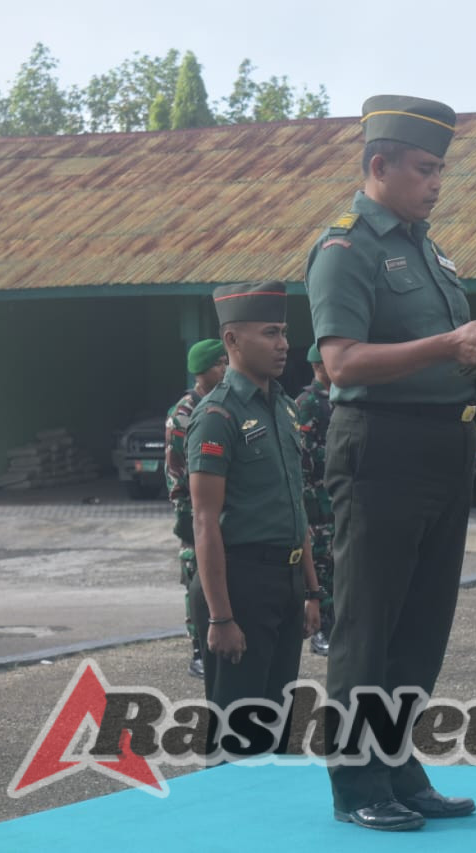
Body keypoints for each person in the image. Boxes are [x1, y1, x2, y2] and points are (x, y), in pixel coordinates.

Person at [303, 95, 476, 832]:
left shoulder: (428, 248)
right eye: (425, 168)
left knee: (424, 621)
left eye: (441, 170)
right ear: (378, 164)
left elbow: (445, 355)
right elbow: (343, 361)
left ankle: (398, 764)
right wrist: (447, 345)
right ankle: (357, 782)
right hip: (379, 446)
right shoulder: (346, 249)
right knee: (370, 622)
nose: (436, 183)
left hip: (443, 442)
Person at [186, 280, 323, 758]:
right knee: (238, 732)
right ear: (232, 340)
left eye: (284, 332)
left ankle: (273, 825)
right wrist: (221, 617)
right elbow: (205, 521)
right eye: (269, 333)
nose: (283, 344)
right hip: (239, 581)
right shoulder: (216, 416)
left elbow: (296, 505)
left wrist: (309, 590)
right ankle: (225, 826)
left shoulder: (283, 408)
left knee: (278, 724)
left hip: (284, 581)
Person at [164, 339, 228, 678]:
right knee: (197, 579)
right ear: (202, 371)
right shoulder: (184, 413)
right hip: (193, 508)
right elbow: (177, 471)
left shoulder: (222, 403)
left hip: (219, 505)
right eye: (219, 364)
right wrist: (188, 514)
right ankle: (198, 649)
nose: (225, 369)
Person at [295, 342, 334, 656]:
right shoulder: (308, 402)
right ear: (319, 365)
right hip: (315, 498)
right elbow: (304, 452)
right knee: (319, 564)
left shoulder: (338, 399)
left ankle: (335, 625)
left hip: (336, 496)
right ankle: (321, 630)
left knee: (336, 563)